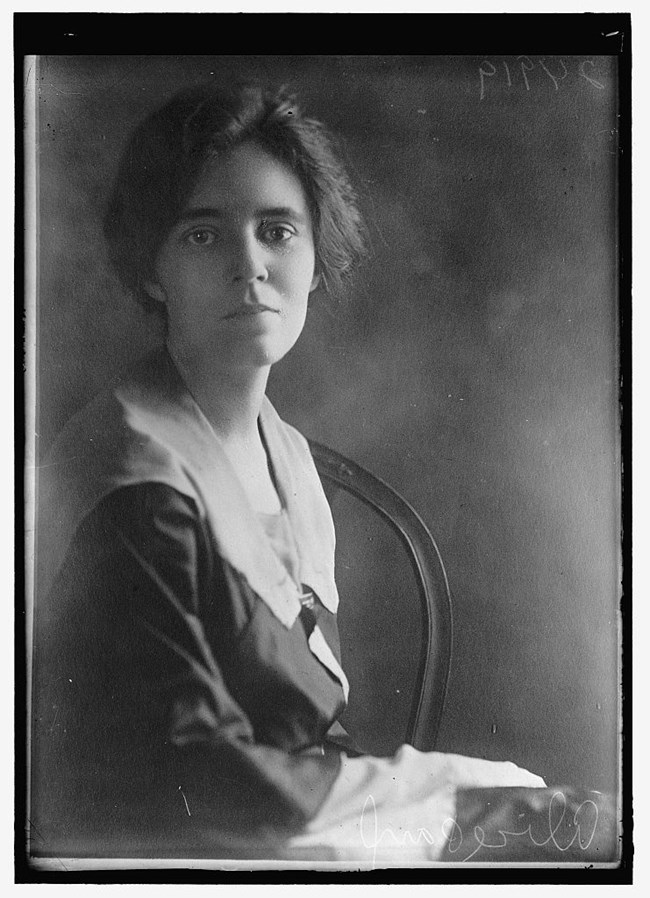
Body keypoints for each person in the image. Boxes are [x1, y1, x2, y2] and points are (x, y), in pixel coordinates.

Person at [32, 81, 608, 866]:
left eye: (277, 231)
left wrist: (464, 800)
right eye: (204, 236)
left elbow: (312, 735)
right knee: (567, 830)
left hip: (281, 830)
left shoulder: (288, 456)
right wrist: (467, 805)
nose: (250, 266)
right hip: (155, 852)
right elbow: (189, 784)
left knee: (584, 827)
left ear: (313, 253)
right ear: (152, 266)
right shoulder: (132, 484)